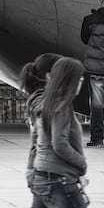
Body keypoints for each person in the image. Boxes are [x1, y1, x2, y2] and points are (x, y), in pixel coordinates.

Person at [27, 56, 92, 208]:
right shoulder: (61, 105)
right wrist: (81, 163)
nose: (82, 81)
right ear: (69, 80)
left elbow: (36, 138)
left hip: (43, 177)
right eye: (79, 78)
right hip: (59, 180)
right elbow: (59, 143)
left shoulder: (47, 103)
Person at [20, 53, 62, 189]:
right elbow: (42, 113)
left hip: (42, 168)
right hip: (46, 171)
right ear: (49, 76)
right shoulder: (40, 99)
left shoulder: (40, 97)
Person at [81, 0, 104, 147]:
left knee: (97, 105)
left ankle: (97, 139)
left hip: (97, 71)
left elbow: (84, 39)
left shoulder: (90, 20)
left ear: (103, 2)